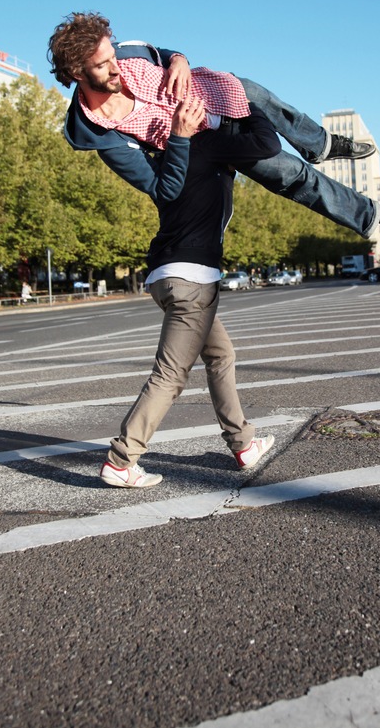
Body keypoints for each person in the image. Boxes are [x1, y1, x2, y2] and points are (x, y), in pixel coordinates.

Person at [48, 13, 380, 246]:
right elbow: (163, 189)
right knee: (291, 174)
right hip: (206, 144)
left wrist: (179, 59)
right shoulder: (100, 135)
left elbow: (163, 53)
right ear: (78, 74)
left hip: (210, 92)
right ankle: (378, 216)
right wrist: (179, 134)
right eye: (103, 65)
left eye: (113, 55)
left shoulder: (124, 53)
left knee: (252, 91)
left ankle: (322, 144)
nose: (116, 66)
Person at [99, 96, 280, 489]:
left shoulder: (171, 156)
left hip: (166, 277)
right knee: (170, 375)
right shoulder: (206, 144)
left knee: (220, 353)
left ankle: (243, 442)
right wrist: (249, 105)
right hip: (192, 279)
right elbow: (268, 144)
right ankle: (122, 459)